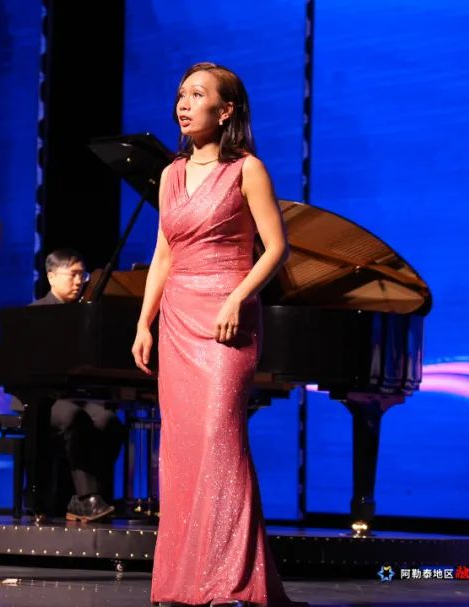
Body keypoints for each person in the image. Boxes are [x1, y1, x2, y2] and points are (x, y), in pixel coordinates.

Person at [131, 63, 302, 605]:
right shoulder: (171, 174)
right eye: (181, 94)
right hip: (178, 318)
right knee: (182, 449)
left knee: (219, 439)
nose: (184, 104)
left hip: (227, 318)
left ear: (225, 111)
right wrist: (144, 321)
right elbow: (163, 254)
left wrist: (237, 297)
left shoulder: (248, 169)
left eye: (197, 95)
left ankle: (234, 581)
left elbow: (277, 248)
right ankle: (184, 582)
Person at [30, 248, 124, 522]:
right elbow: (29, 364)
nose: (79, 281)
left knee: (109, 421)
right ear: (51, 277)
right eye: (72, 274)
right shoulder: (35, 314)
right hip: (41, 398)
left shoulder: (86, 315)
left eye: (82, 275)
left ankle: (88, 495)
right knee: (75, 417)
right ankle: (86, 498)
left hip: (75, 395)